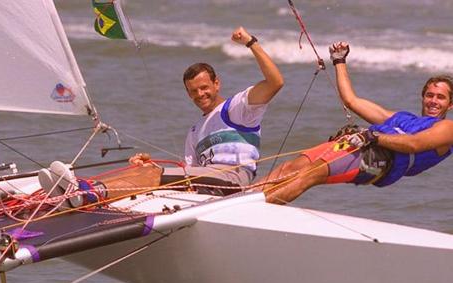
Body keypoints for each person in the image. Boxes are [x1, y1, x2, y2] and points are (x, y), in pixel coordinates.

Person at [262, 41, 453, 204]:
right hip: (358, 145)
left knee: (312, 173)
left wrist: (371, 136)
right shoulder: (402, 118)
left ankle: (258, 209)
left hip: (381, 161)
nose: (433, 101)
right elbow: (351, 101)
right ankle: (241, 198)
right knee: (290, 167)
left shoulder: (447, 128)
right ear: (422, 97)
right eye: (429, 95)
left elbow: (414, 144)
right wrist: (339, 61)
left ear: (450, 104)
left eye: (440, 97)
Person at [130, 26, 284, 195]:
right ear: (188, 94)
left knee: (148, 176)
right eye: (194, 91)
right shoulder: (194, 132)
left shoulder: (236, 108)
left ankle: (97, 194)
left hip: (232, 178)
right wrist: (153, 167)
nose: (200, 94)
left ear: (216, 84)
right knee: (144, 174)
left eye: (204, 87)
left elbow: (275, 82)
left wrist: (250, 42)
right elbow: (189, 173)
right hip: (207, 183)